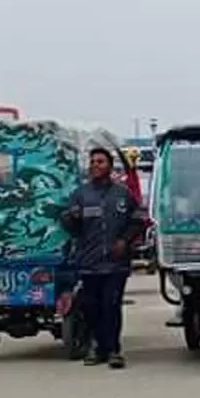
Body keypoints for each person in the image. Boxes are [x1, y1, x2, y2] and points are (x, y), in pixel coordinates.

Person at [62, 147, 145, 368]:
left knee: (111, 305)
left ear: (109, 166)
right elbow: (69, 225)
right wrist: (72, 218)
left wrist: (124, 240)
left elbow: (138, 218)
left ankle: (114, 351)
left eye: (100, 161)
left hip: (116, 264)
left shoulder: (123, 193)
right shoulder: (81, 194)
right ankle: (97, 348)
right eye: (93, 162)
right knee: (92, 308)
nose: (95, 165)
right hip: (89, 263)